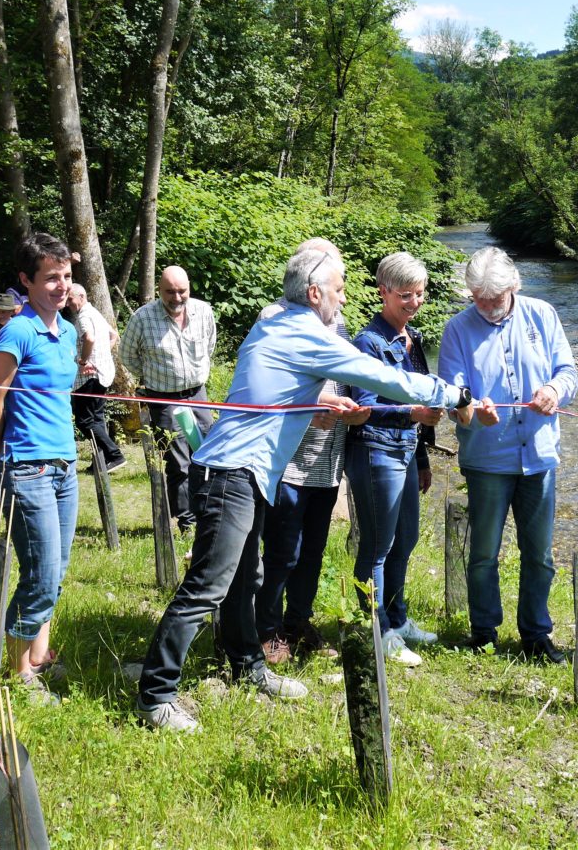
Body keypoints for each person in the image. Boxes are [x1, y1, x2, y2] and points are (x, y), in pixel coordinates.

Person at [135, 249, 475, 732]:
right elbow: (381, 376)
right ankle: (156, 695)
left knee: (244, 580)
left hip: (241, 473)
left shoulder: (276, 323)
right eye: (338, 289)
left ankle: (248, 667)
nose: (343, 297)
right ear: (314, 293)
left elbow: (271, 379)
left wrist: (313, 398)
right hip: (230, 474)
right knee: (209, 585)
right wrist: (451, 394)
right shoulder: (305, 332)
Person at [438, 246, 578, 663]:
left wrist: (554, 391)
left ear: (514, 287)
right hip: (486, 461)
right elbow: (452, 396)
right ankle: (484, 632)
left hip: (539, 457)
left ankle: (535, 634)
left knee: (540, 554)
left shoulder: (543, 314)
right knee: (483, 553)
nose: (484, 306)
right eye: (477, 298)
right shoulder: (457, 330)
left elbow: (567, 372)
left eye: (493, 299)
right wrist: (471, 409)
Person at [0, 234, 81, 703]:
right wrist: (6, 454)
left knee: (56, 571)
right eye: (50, 277)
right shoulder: (17, 331)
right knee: (39, 573)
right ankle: (16, 672)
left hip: (64, 465)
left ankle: (37, 654)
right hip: (27, 467)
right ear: (26, 280)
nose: (61, 285)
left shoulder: (67, 331)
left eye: (66, 275)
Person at [254, 238, 364, 664]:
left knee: (314, 549)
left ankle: (298, 621)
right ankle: (267, 628)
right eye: (336, 279)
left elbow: (350, 380)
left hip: (328, 459)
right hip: (290, 461)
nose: (342, 292)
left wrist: (355, 412)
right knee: (283, 550)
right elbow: (269, 388)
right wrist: (309, 408)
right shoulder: (275, 318)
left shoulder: (340, 324)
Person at [344, 252, 443, 667]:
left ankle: (398, 620)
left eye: (419, 294)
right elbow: (363, 405)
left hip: (405, 450)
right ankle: (377, 629)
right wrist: (411, 413)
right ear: (383, 291)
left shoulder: (413, 338)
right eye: (405, 295)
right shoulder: (367, 342)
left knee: (406, 538)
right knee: (377, 546)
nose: (414, 303)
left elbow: (421, 395)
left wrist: (422, 456)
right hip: (375, 451)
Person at [120, 265, 217, 532]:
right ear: (159, 290)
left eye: (181, 291)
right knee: (178, 461)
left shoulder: (203, 312)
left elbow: (210, 345)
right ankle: (186, 520)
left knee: (208, 453)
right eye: (170, 292)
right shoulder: (143, 318)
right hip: (163, 399)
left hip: (198, 394)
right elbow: (127, 356)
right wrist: (154, 376)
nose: (176, 298)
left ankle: (209, 511)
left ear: (189, 288)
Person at [66, 282, 125, 472]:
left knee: (84, 420)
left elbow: (89, 338)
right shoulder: (96, 314)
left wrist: (83, 359)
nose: (68, 303)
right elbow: (113, 335)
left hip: (90, 376)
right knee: (96, 419)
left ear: (81, 297)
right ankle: (99, 462)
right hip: (104, 372)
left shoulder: (83, 316)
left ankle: (115, 455)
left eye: (70, 299)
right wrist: (102, 354)